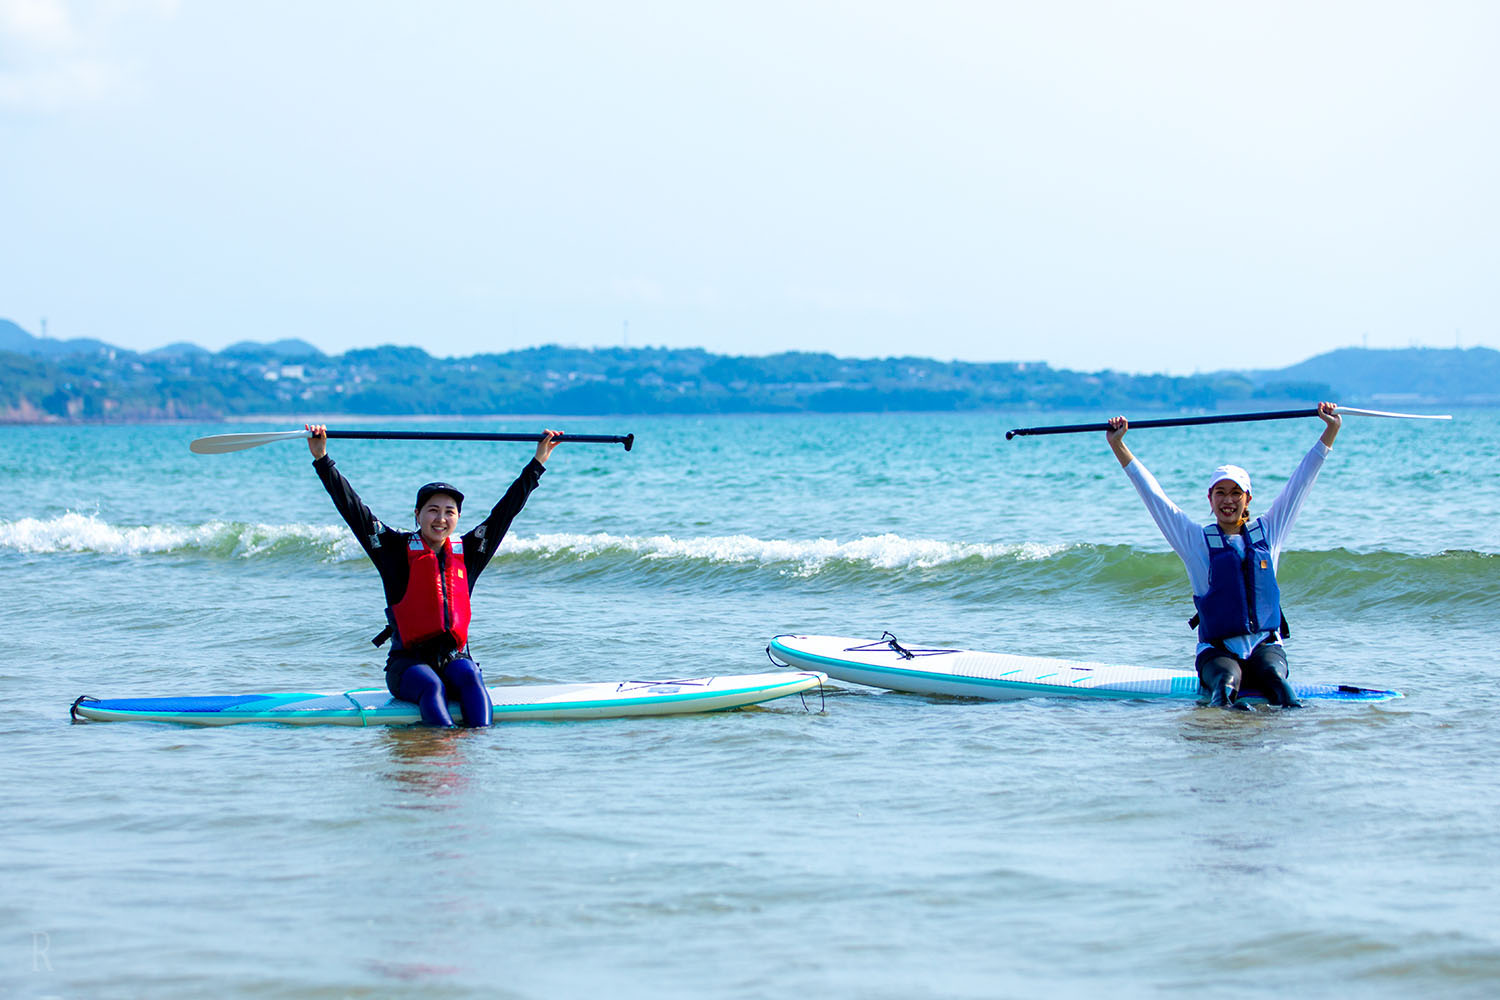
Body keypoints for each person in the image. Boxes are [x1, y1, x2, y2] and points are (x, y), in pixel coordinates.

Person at [306, 423, 563, 727]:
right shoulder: (392, 549)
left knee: (471, 679)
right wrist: (323, 459)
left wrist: (538, 463)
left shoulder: (470, 551)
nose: (440, 519)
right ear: (417, 514)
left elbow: (505, 512)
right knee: (432, 687)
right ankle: (438, 747)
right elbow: (352, 508)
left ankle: (478, 747)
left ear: (457, 517)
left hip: (454, 658)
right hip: (407, 665)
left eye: (449, 511)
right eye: (432, 510)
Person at [1104, 403, 1342, 709]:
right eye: (1220, 493)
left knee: (1278, 685)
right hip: (1217, 652)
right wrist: (1118, 445)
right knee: (1225, 685)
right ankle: (1224, 730)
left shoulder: (1269, 532)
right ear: (1210, 498)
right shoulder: (1195, 541)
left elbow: (1302, 481)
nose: (1228, 500)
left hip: (1265, 647)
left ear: (1248, 499)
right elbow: (1154, 496)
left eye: (1235, 493)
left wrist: (1330, 430)